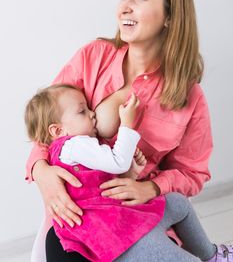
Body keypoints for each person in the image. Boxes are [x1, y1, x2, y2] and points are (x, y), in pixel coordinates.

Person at [25, 0, 230, 261]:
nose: (125, 7)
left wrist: (150, 187)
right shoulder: (93, 56)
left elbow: (192, 173)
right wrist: (41, 172)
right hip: (80, 219)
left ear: (170, 17)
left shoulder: (189, 97)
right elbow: (47, 124)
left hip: (142, 215)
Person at [25, 84, 233, 262]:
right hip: (117, 236)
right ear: (58, 131)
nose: (92, 114)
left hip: (121, 217)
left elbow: (99, 187)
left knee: (178, 203)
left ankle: (211, 255)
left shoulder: (72, 152)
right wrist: (127, 123)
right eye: (82, 112)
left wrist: (130, 175)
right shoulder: (74, 145)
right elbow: (117, 161)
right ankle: (209, 255)